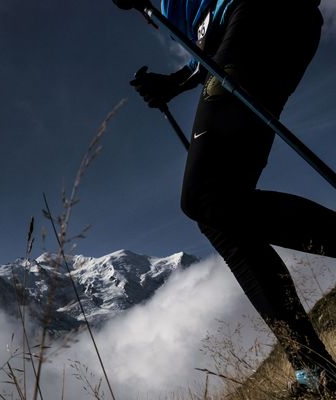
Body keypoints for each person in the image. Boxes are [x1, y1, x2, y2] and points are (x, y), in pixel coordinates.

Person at [114, 0, 336, 394]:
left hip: (258, 18)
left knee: (206, 197)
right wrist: (175, 82)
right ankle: (314, 368)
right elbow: (215, 48)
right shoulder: (173, 12)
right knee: (218, 213)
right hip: (257, 27)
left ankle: (315, 367)